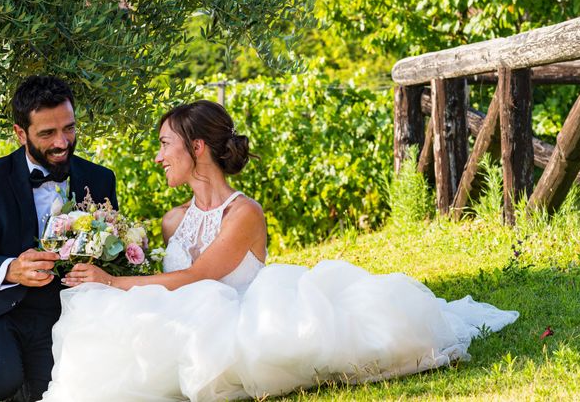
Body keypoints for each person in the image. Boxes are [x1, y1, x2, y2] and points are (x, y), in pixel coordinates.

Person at [41, 100, 518, 401]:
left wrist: (114, 281)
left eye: (166, 144)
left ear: (198, 147)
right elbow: (173, 286)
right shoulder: (171, 221)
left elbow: (199, 278)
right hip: (190, 317)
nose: (159, 156)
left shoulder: (243, 213)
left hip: (250, 318)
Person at [0, 75, 118, 402]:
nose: (62, 142)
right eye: (47, 133)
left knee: (51, 394)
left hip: (61, 316)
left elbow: (112, 256)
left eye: (69, 128)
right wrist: (11, 269)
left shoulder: (100, 180)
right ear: (21, 133)